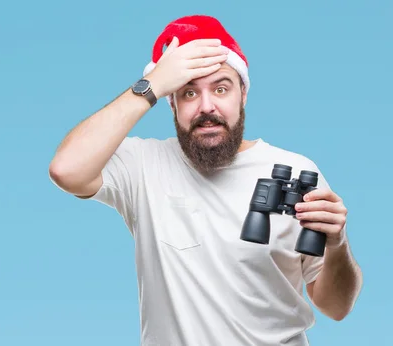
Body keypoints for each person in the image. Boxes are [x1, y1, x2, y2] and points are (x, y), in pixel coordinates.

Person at [48, 14, 363, 346]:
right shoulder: (143, 165)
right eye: (188, 93)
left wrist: (338, 244)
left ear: (243, 94)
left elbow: (336, 307)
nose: (206, 106)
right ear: (170, 103)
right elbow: (66, 170)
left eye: (221, 88)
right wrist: (152, 84)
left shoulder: (296, 173)